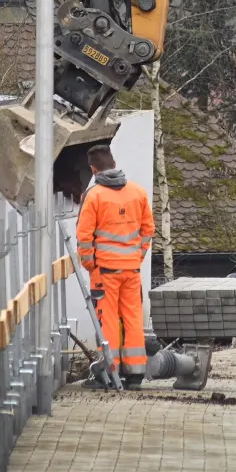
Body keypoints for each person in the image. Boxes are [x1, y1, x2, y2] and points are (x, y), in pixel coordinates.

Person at [76, 145, 155, 388]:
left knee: (108, 321)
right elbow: (148, 230)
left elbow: (84, 236)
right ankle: (136, 373)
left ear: (93, 169)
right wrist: (137, 255)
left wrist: (90, 264)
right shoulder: (138, 192)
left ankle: (110, 373)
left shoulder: (93, 196)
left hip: (105, 271)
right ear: (114, 164)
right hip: (131, 270)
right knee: (132, 318)